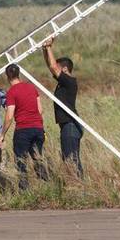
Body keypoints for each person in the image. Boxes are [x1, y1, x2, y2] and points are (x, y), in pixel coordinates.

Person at [0, 64, 47, 189]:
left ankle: (24, 190)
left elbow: (9, 116)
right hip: (38, 128)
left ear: (7, 76)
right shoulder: (31, 88)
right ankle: (46, 185)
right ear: (19, 73)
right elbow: (40, 110)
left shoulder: (11, 92)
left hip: (23, 130)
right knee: (38, 158)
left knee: (21, 161)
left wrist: (2, 134)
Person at [42, 38, 83, 177]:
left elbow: (53, 67)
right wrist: (44, 49)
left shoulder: (69, 81)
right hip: (67, 126)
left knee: (72, 160)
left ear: (65, 69)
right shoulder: (63, 81)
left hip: (70, 125)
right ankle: (76, 185)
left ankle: (78, 186)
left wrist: (49, 47)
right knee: (69, 160)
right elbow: (51, 66)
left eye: (59, 69)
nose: (55, 71)